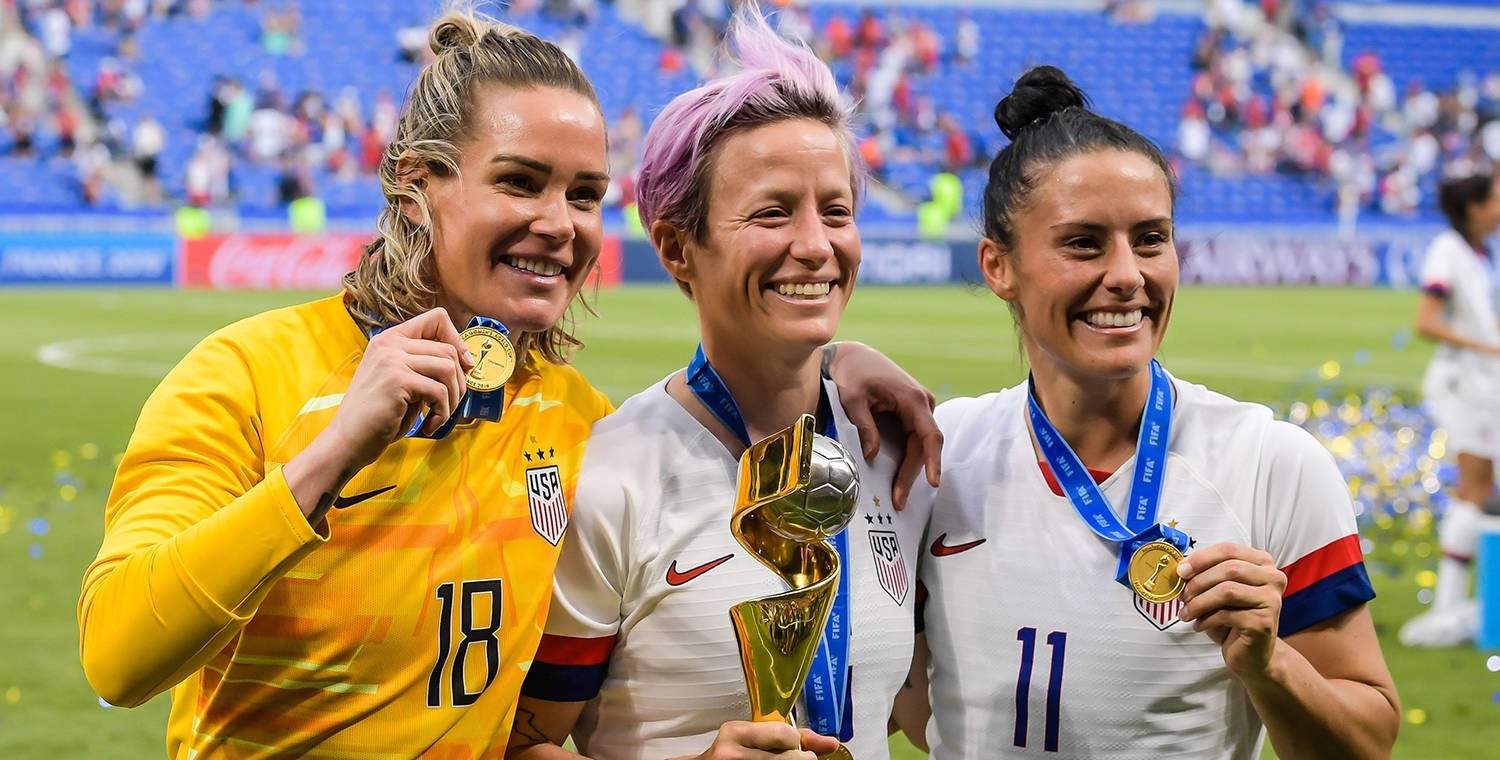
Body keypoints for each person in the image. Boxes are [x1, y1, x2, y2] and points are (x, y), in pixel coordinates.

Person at [76, 8, 937, 758]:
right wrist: (332, 453)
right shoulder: (247, 373)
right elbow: (117, 658)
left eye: (585, 193)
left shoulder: (577, 425)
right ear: (418, 185)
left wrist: (826, 362)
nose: (558, 224)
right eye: (521, 182)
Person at [915, 65, 1399, 759]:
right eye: (1084, 242)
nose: (1127, 274)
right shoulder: (941, 455)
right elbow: (905, 695)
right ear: (998, 266)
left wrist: (1270, 666)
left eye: (1150, 239)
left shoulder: (1272, 463)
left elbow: (1369, 743)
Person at [506, 9, 931, 759]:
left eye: (837, 211)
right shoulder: (611, 478)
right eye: (772, 213)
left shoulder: (897, 456)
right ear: (676, 247)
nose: (815, 245)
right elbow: (520, 744)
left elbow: (916, 707)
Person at [1400, 172, 1500, 647]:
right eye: (1496, 201)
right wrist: (1488, 346)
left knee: (1480, 489)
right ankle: (1447, 607)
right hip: (1466, 384)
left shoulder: (1479, 255)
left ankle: (1461, 602)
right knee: (1476, 489)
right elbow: (1426, 321)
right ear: (1475, 207)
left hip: (1483, 383)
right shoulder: (1448, 250)